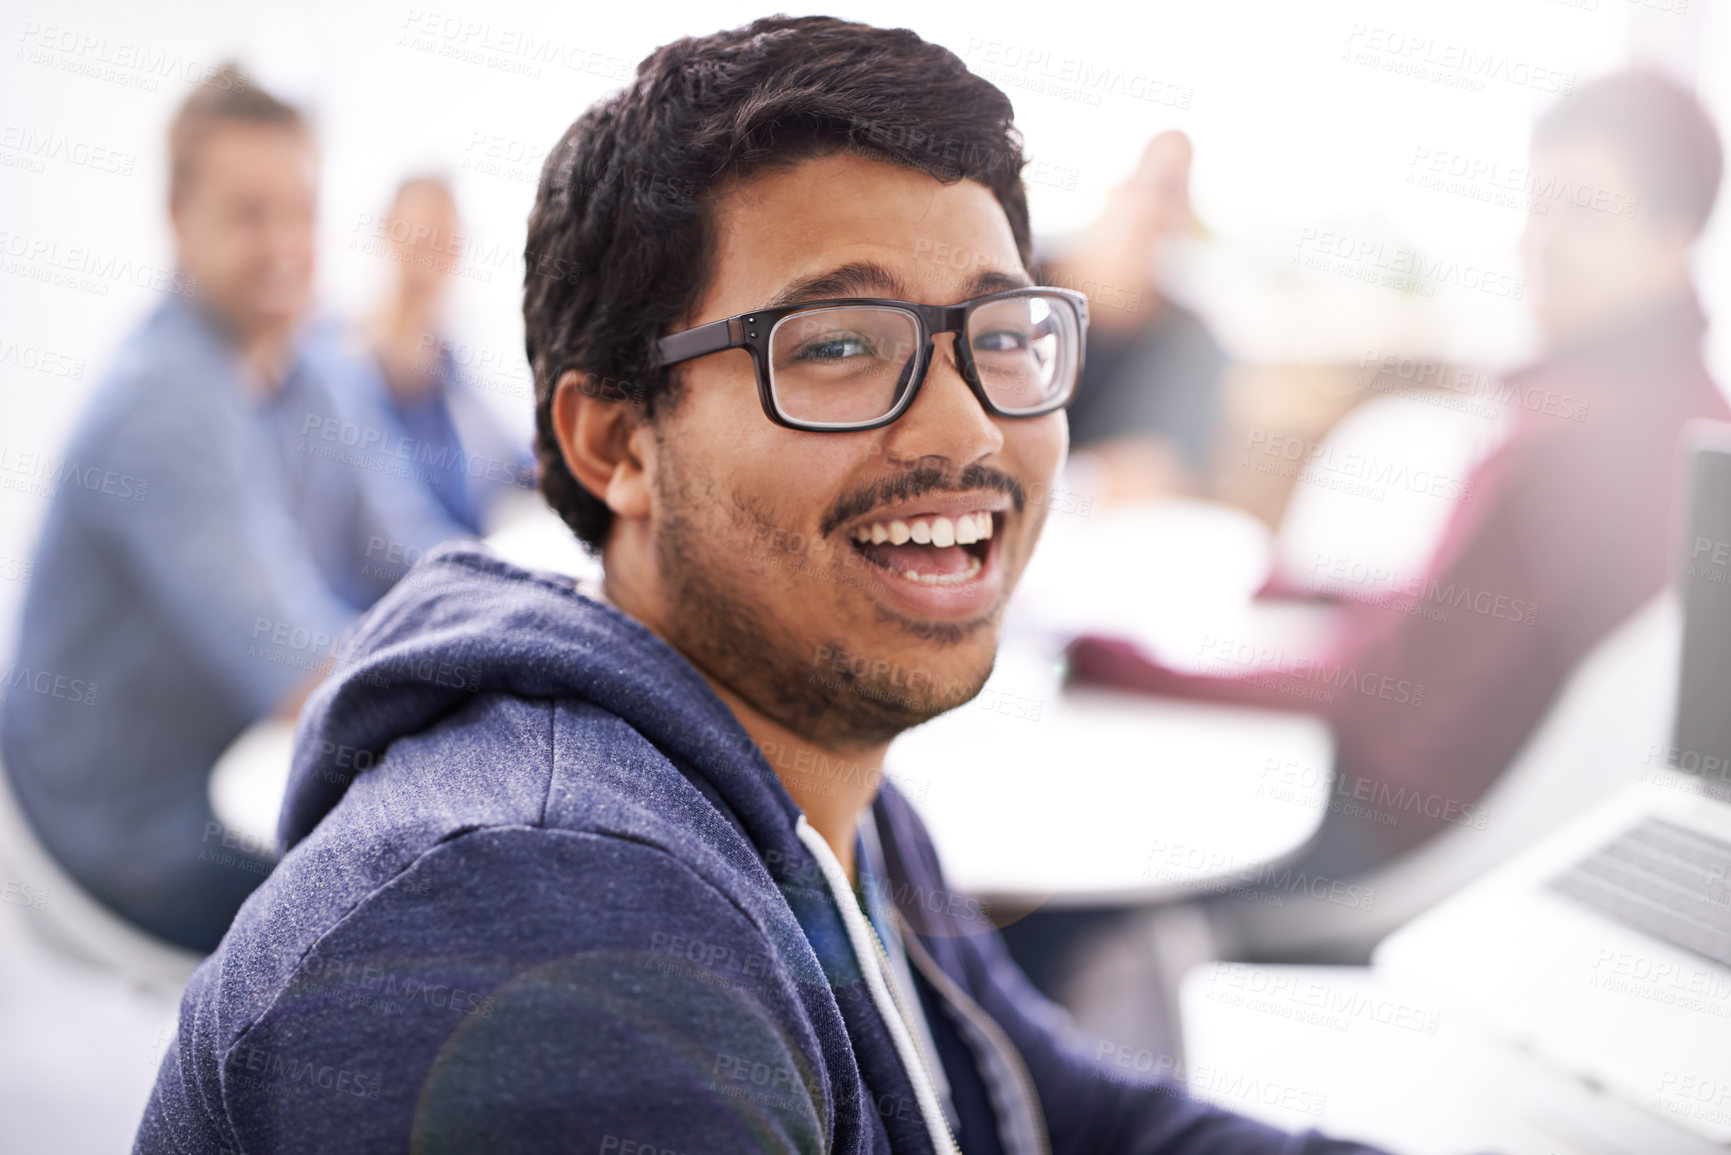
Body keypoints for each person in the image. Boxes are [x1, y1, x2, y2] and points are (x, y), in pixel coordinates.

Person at [136, 19, 1390, 1153]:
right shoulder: (549, 919)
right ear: (615, 444)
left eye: (1003, 337)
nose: (964, 428)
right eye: (840, 346)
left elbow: (1055, 1107)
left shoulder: (819, 777)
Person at [1070, 70, 1731, 881]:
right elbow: (1476, 629)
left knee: (1082, 839)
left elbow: (1386, 691)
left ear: (1675, 234)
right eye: (1538, 202)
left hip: (1395, 836)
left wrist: (1125, 667)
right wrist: (1329, 595)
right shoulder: (1684, 410)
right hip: (1485, 818)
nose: (1537, 240)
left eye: (1584, 209)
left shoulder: (1577, 433)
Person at [0, 66, 465, 953]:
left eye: (302, 209)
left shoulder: (314, 367)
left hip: (239, 770)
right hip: (133, 829)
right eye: (250, 215)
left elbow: (418, 555)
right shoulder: (161, 401)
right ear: (178, 219)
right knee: (423, 924)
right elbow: (306, 676)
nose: (286, 244)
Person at [1037, 131, 1227, 504]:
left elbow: (1159, 471)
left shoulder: (1191, 340)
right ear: (1113, 189)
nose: (1155, 209)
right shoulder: (1017, 282)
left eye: (1175, 193)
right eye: (1150, 183)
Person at [361, 174, 534, 534]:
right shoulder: (350, 362)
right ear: (390, 231)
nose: (438, 250)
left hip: (463, 560)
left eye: (448, 237)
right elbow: (393, 520)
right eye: (424, 233)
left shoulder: (446, 362)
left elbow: (511, 461)